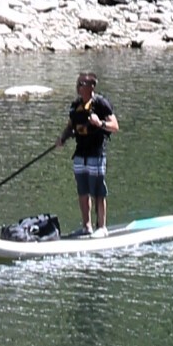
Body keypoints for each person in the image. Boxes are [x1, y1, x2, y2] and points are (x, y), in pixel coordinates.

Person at [58, 71, 118, 234]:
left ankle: (102, 227)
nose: (77, 87)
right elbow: (70, 126)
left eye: (81, 84)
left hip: (96, 154)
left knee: (98, 190)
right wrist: (62, 138)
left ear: (91, 87)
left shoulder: (101, 103)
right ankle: (87, 227)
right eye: (77, 83)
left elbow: (115, 126)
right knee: (82, 191)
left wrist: (100, 123)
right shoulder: (75, 105)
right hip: (80, 154)